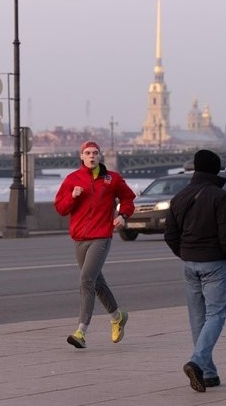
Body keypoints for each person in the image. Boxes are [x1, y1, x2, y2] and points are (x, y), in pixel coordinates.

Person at [164, 149, 226, 392]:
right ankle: (197, 363)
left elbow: (170, 235)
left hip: (189, 263)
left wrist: (184, 252)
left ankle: (208, 373)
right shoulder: (219, 197)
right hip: (216, 264)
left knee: (198, 319)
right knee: (216, 316)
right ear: (216, 170)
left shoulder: (180, 196)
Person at [54, 140, 136, 349]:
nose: (91, 156)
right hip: (80, 238)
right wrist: (72, 197)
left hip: (101, 236)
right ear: (81, 156)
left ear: (100, 156)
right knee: (97, 281)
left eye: (95, 153)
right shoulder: (72, 179)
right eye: (87, 153)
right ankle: (117, 316)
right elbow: (61, 208)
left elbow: (128, 198)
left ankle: (81, 331)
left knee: (86, 280)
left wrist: (123, 215)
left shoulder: (112, 179)